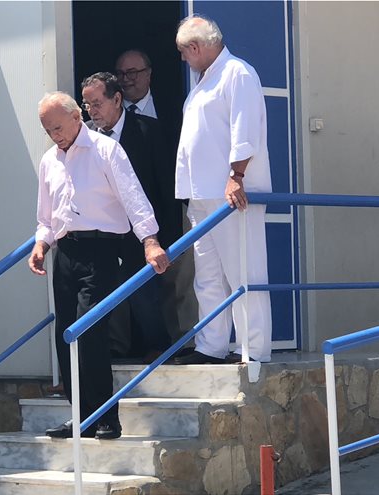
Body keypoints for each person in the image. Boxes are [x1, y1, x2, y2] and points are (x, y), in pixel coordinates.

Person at [29, 92, 169, 439]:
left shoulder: (106, 150)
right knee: (65, 335)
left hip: (102, 250)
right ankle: (82, 417)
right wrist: (41, 244)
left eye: (58, 127)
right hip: (65, 252)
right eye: (48, 130)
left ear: (77, 117)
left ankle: (107, 416)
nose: (55, 136)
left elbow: (134, 197)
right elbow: (46, 216)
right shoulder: (49, 161)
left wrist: (150, 241)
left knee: (89, 332)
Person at [172, 14, 273, 364]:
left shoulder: (237, 73)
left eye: (184, 52)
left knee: (244, 273)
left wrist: (236, 175)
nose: (183, 59)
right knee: (209, 277)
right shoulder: (204, 80)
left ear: (195, 47)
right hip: (202, 194)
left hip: (231, 193)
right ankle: (211, 347)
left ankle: (253, 350)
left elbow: (245, 130)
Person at [80, 72, 178, 362]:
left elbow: (166, 188)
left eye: (97, 103)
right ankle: (112, 349)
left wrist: (169, 236)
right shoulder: (84, 136)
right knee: (104, 294)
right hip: (101, 232)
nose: (92, 111)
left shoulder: (149, 131)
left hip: (143, 231)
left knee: (144, 293)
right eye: (87, 105)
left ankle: (159, 347)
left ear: (117, 99)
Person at [115, 50, 198, 353]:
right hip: (125, 212)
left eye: (133, 72)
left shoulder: (175, 109)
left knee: (179, 275)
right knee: (123, 279)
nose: (127, 80)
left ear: (149, 73)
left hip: (172, 203)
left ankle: (184, 343)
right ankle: (122, 348)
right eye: (121, 74)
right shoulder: (109, 115)